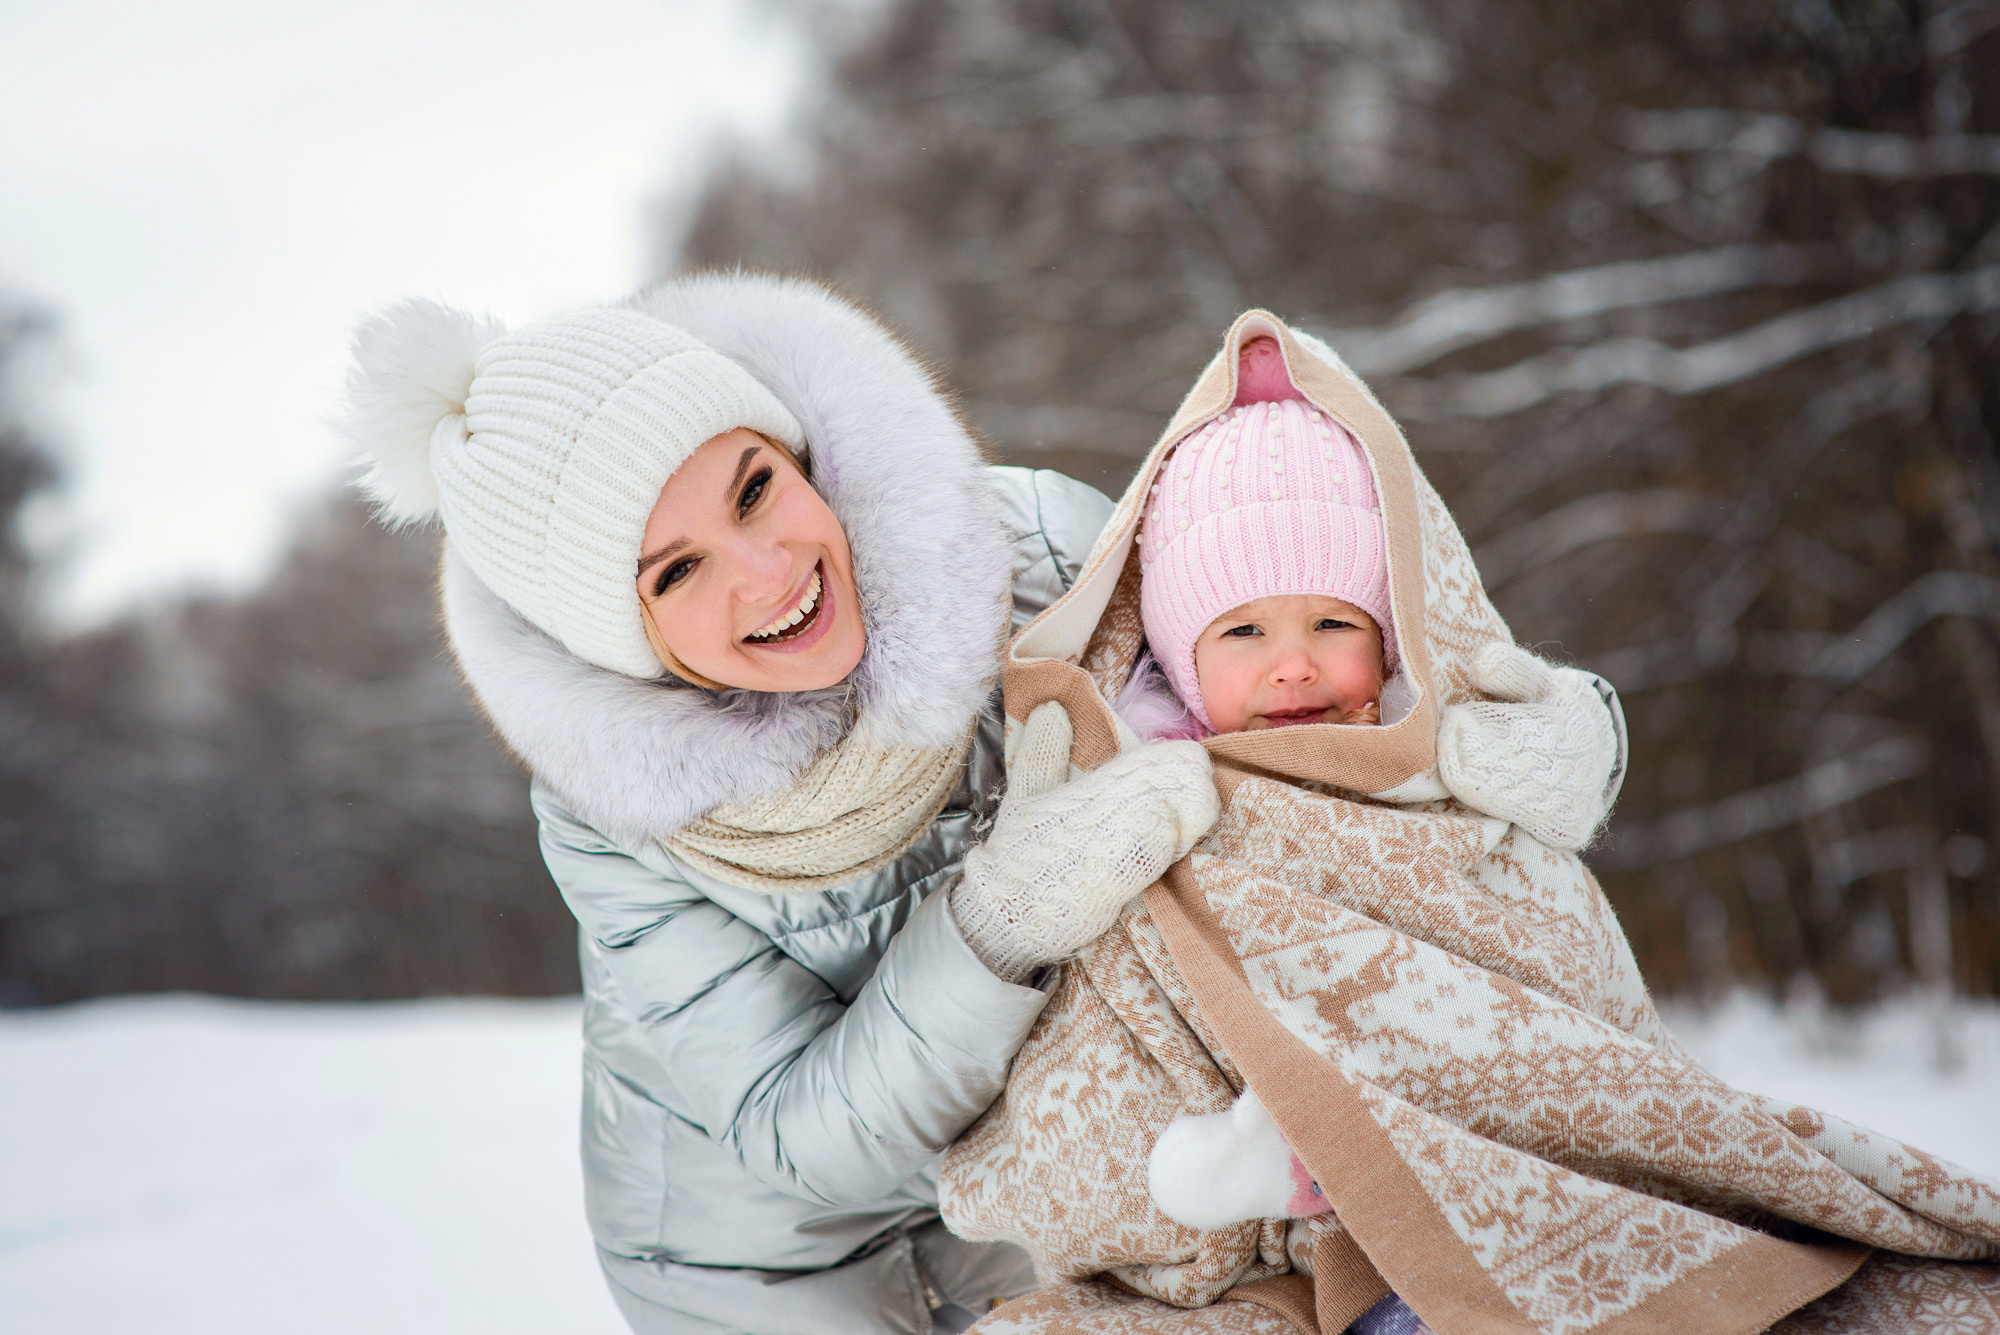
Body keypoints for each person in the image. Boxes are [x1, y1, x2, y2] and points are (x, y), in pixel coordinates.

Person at [336, 273, 1628, 1335]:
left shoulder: (1035, 549)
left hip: (1103, 1179)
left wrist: (1525, 742)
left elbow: (1294, 668)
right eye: (676, 572)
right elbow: (807, 1141)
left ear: (799, 451)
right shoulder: (621, 818)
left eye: (754, 490)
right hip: (806, 1278)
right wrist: (1001, 918)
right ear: (616, 634)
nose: (770, 569)